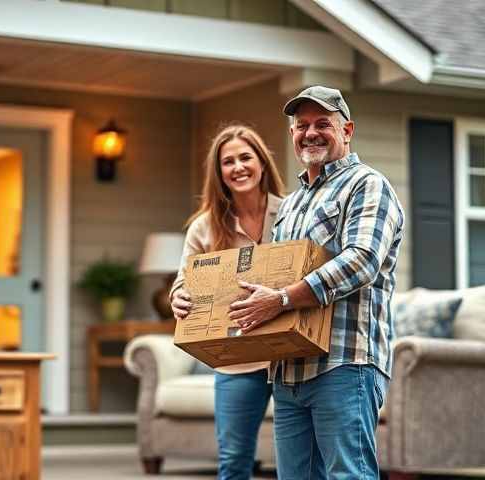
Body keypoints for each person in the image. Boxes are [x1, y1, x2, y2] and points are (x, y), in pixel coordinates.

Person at [227, 86, 405, 479]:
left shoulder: (367, 185)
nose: (310, 133)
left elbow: (362, 261)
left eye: (323, 123)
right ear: (292, 134)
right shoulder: (290, 204)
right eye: (301, 125)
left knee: (349, 475)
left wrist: (283, 300)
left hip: (344, 364)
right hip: (289, 371)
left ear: (347, 130)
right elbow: (269, 275)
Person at [170, 124, 285, 480]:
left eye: (245, 157)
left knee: (300, 463)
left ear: (262, 163)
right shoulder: (204, 227)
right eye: (228, 161)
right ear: (218, 173)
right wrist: (179, 297)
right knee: (234, 462)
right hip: (238, 361)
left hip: (294, 359)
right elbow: (182, 282)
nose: (238, 167)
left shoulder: (292, 212)